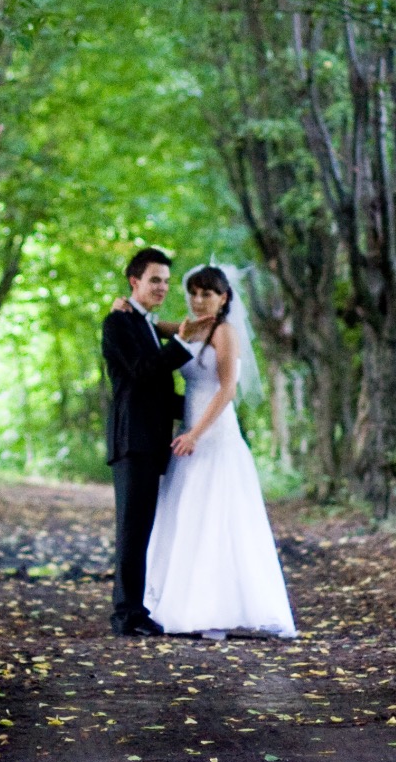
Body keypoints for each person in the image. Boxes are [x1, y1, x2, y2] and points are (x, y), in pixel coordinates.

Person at [119, 265, 296, 640]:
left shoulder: (225, 333)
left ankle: (226, 605)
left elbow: (227, 389)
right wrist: (128, 307)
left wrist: (196, 434)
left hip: (213, 434)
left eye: (207, 294)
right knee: (187, 516)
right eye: (193, 294)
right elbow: (155, 326)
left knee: (219, 516)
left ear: (224, 297)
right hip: (188, 434)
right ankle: (186, 604)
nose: (199, 301)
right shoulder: (194, 327)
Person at [100, 247, 193, 636]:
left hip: (154, 442)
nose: (162, 287)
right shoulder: (117, 323)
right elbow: (141, 372)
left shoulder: (148, 326)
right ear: (134, 281)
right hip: (131, 441)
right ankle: (126, 615)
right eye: (155, 280)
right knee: (132, 531)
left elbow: (157, 392)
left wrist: (202, 411)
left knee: (147, 529)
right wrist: (184, 342)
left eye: (167, 281)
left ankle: (138, 609)